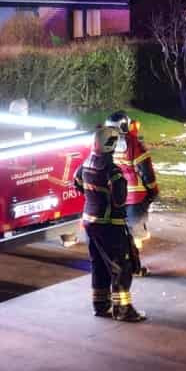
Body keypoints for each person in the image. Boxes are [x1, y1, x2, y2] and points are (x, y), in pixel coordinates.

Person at [72, 123, 145, 323]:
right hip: (110, 224)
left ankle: (100, 304)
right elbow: (120, 200)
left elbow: (76, 183)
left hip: (90, 221)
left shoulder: (85, 164)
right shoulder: (113, 171)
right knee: (121, 266)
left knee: (99, 265)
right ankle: (123, 309)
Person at [106, 110, 159, 275]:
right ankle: (134, 267)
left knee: (117, 234)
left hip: (114, 197)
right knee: (133, 237)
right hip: (135, 198)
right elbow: (147, 173)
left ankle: (118, 266)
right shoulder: (135, 145)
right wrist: (153, 191)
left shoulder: (104, 145)